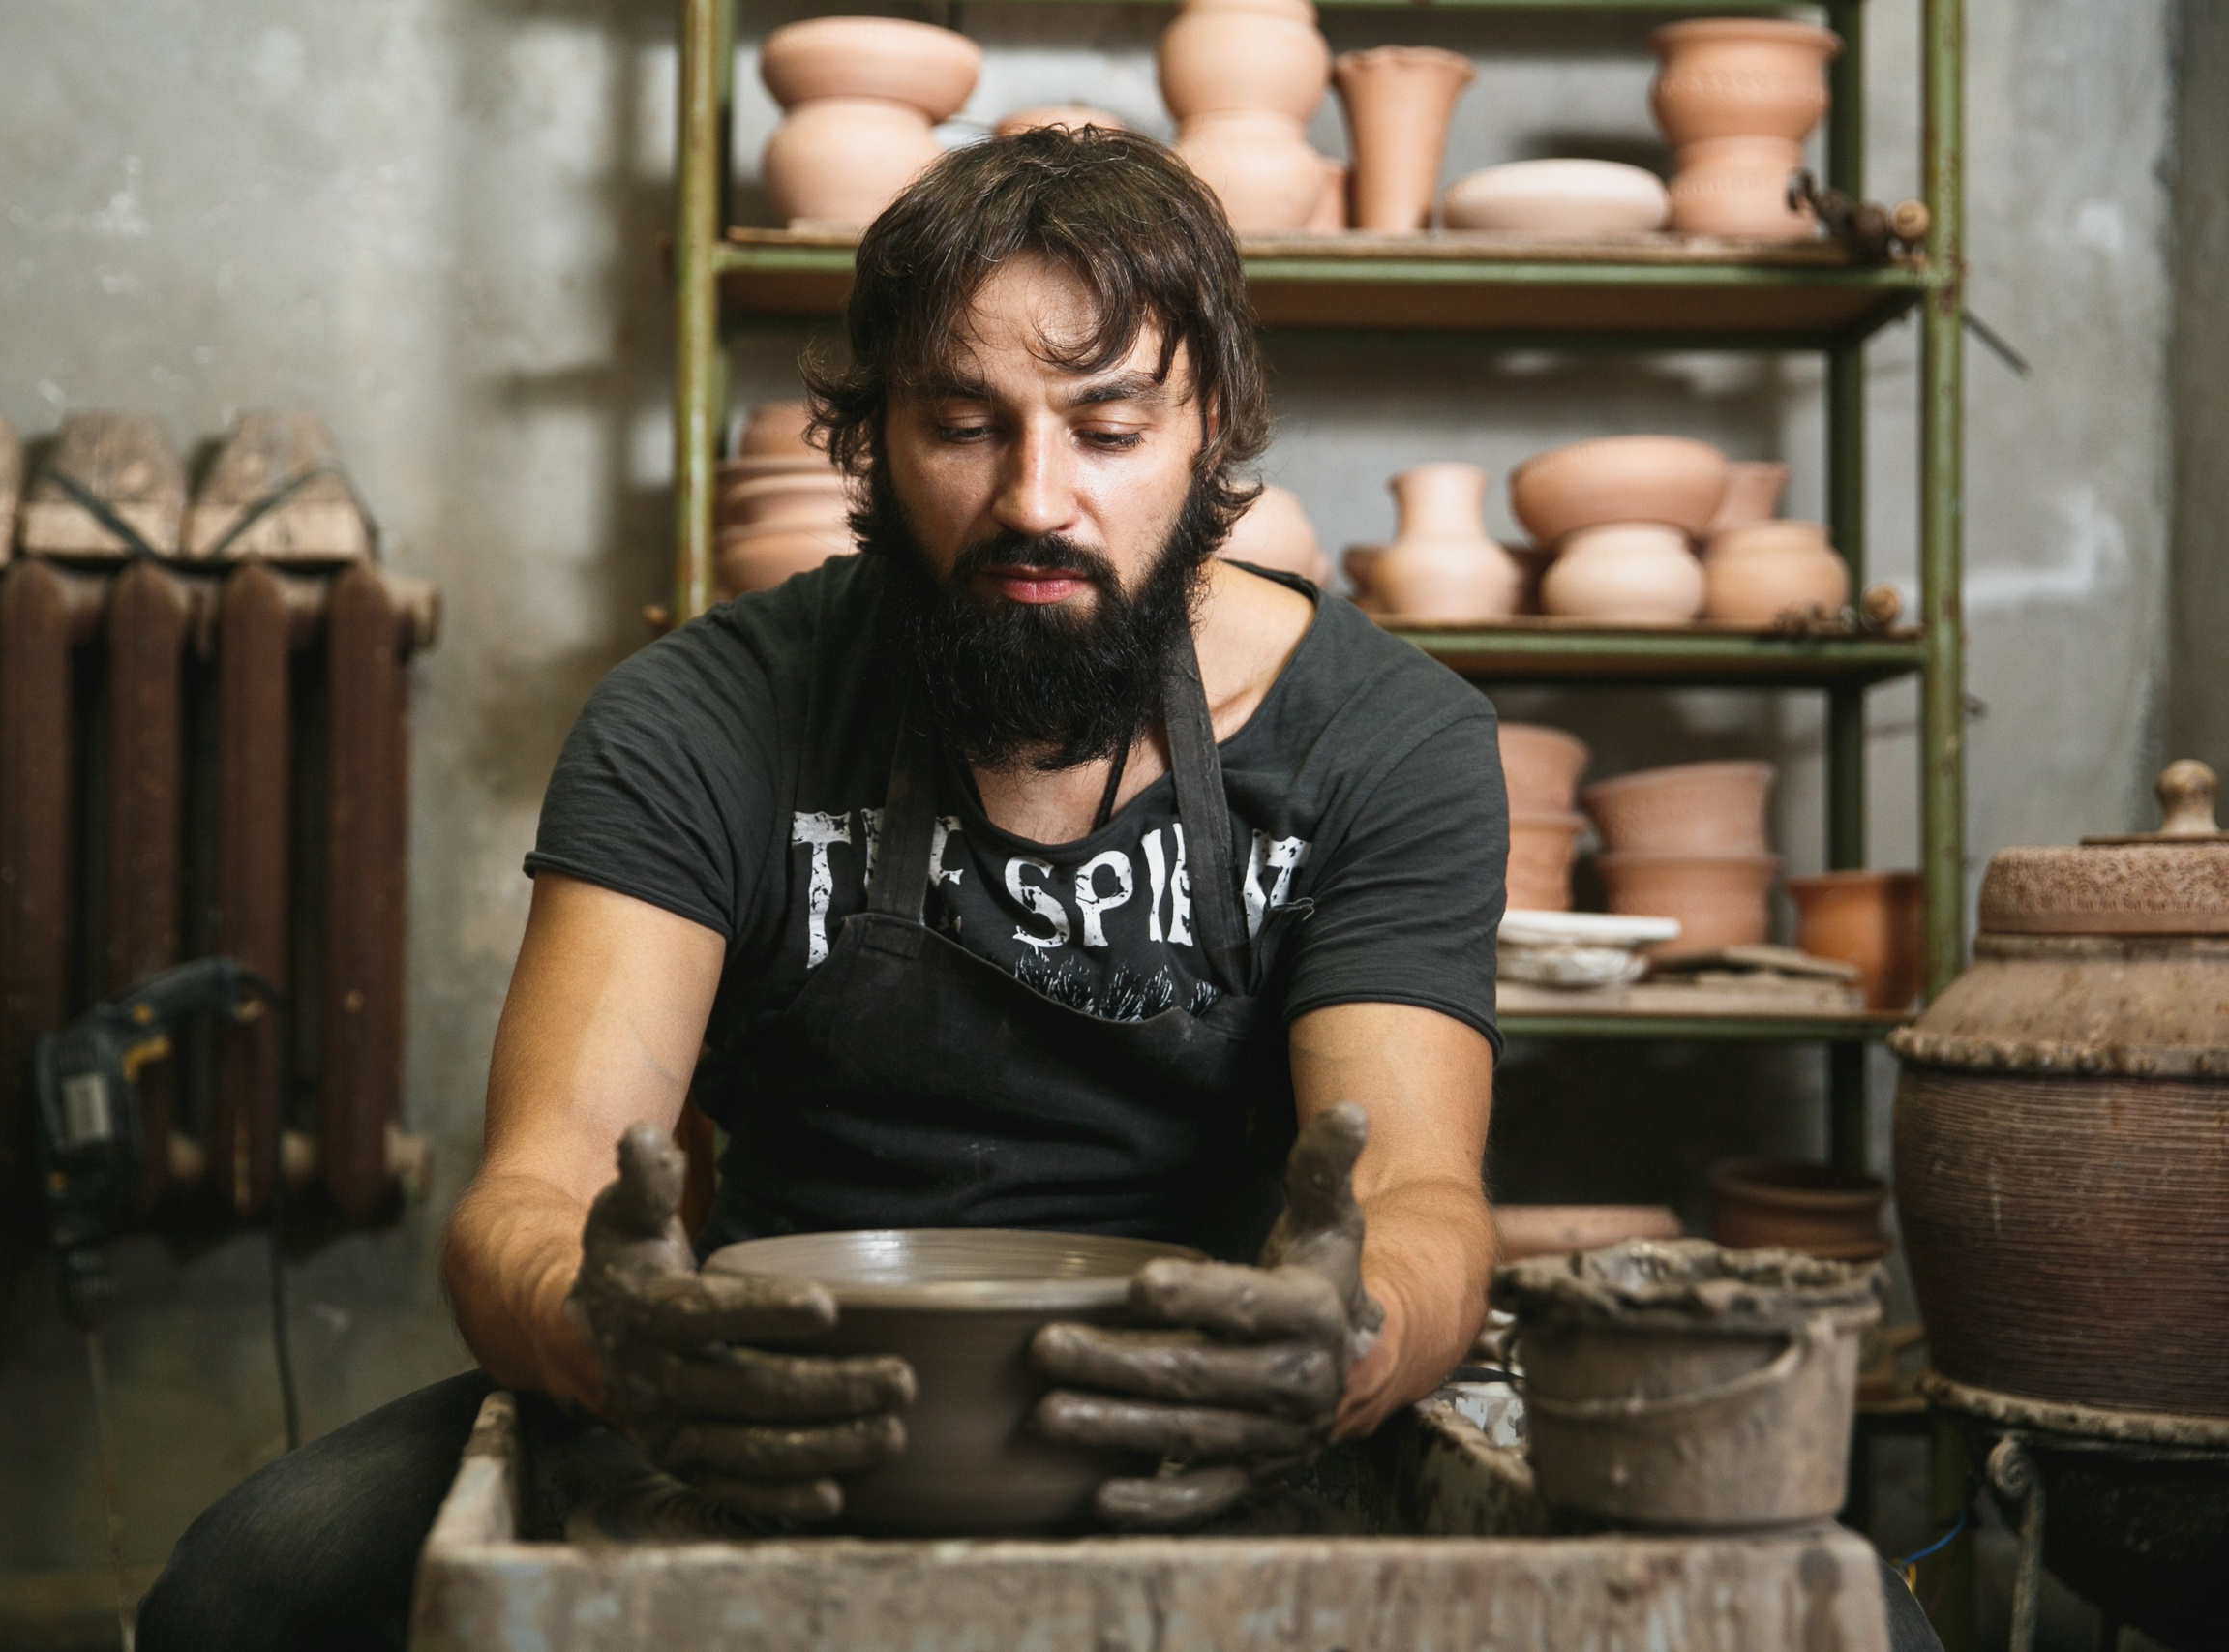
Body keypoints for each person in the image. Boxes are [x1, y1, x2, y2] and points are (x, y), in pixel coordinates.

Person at [141, 125, 1505, 1650]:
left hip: (1192, 1417)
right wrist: (615, 1335)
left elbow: (1424, 1199)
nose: (1037, 499)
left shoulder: (1389, 740)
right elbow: (533, 1190)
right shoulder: (702, 715)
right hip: (769, 1400)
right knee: (246, 1586)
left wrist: (1347, 1339)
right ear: (869, 439)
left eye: (1108, 430)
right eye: (965, 424)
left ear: (1212, 440)